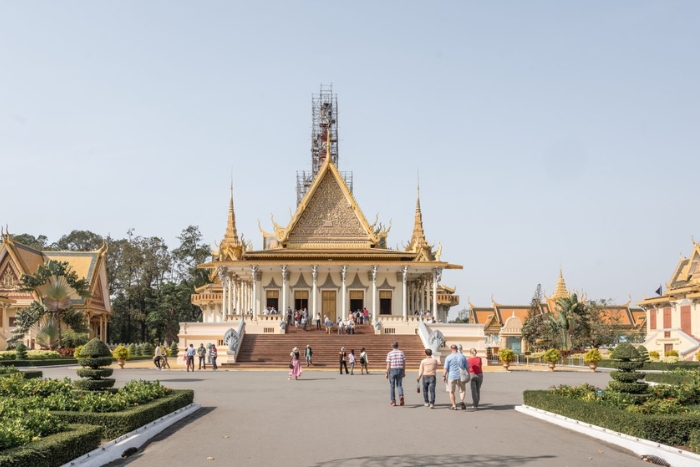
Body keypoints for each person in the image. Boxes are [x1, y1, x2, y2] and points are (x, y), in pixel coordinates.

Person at [442, 344, 468, 410]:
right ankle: (461, 400)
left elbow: (445, 368)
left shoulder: (448, 357)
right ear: (457, 349)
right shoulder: (462, 356)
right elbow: (467, 367)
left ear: (451, 349)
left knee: (451, 391)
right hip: (461, 376)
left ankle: (454, 405)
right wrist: (468, 374)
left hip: (451, 376)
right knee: (462, 390)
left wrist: (444, 376)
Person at [385, 341, 406, 406]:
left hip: (392, 370)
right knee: (399, 385)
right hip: (400, 369)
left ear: (392, 346)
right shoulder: (401, 353)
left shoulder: (390, 353)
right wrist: (403, 371)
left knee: (392, 386)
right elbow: (404, 363)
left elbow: (388, 364)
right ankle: (401, 395)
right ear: (398, 345)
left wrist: (386, 372)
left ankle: (393, 401)